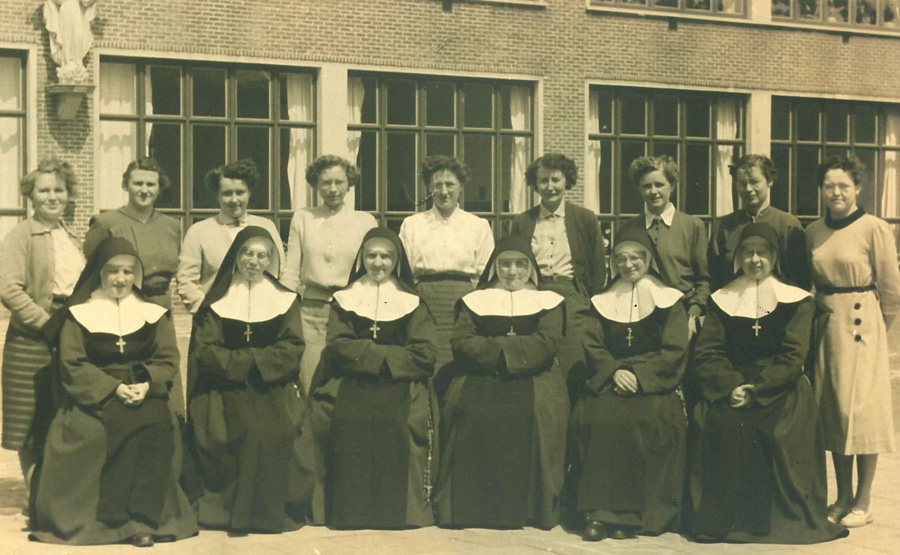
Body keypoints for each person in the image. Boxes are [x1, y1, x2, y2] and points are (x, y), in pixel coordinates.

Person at [30, 237, 196, 546]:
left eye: (128, 271)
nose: (120, 279)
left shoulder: (152, 312)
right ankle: (112, 525)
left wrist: (147, 385)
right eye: (112, 271)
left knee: (157, 426)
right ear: (99, 273)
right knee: (93, 432)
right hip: (96, 393)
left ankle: (144, 522)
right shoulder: (80, 313)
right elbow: (73, 363)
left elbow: (166, 358)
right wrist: (113, 388)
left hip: (141, 389)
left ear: (137, 275)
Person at [690, 223, 847, 543]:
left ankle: (761, 522)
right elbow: (708, 351)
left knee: (772, 427)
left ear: (775, 257)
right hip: (732, 383)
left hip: (779, 387)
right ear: (738, 258)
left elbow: (793, 356)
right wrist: (732, 385)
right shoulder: (723, 299)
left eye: (763, 252)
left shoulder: (796, 300)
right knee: (717, 422)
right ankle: (727, 522)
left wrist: (758, 389)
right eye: (747, 252)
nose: (755, 259)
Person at [435, 236, 568, 529]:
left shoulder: (548, 302)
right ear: (495, 268)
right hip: (482, 372)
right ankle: (470, 507)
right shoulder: (475, 301)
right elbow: (461, 340)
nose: (513, 271)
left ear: (531, 269)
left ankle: (531, 509)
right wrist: (502, 355)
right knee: (466, 408)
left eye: (520, 265)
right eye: (505, 264)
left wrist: (500, 352)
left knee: (539, 413)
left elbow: (547, 342)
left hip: (533, 374)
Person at [309, 227, 437, 529]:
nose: (378, 262)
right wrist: (387, 355)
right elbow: (337, 346)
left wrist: (371, 355)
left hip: (398, 383)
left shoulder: (413, 302)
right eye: (372, 255)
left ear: (397, 261)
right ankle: (347, 509)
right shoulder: (344, 299)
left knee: (397, 420)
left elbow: (425, 353)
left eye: (386, 256)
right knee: (336, 416)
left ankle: (396, 512)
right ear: (361, 259)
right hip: (352, 381)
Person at [185, 226, 310, 533]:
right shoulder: (215, 301)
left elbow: (292, 347)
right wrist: (249, 363)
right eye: (247, 253)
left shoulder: (285, 299)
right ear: (236, 257)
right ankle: (229, 513)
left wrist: (251, 363)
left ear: (271, 261)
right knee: (240, 431)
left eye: (262, 255)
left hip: (271, 387)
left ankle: (265, 514)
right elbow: (206, 351)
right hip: (225, 387)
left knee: (276, 432)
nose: (254, 261)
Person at [567, 226, 688, 541]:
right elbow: (592, 345)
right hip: (613, 377)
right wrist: (613, 371)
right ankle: (598, 514)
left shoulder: (668, 299)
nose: (629, 264)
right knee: (598, 417)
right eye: (621, 258)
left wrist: (640, 376)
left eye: (636, 257)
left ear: (649, 258)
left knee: (645, 419)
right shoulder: (603, 300)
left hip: (651, 383)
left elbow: (674, 350)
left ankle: (636, 516)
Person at [807, 155, 900, 528]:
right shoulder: (813, 231)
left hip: (864, 325)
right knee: (832, 410)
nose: (836, 192)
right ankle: (842, 495)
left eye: (844, 185)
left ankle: (864, 500)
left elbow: (892, 290)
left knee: (861, 413)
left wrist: (881, 333)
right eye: (830, 186)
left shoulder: (874, 228)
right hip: (827, 325)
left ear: (858, 188)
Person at [0, 157, 85, 512]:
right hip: (31, 338)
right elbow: (9, 288)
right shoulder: (21, 234)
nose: (52, 196)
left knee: (61, 413)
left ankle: (55, 496)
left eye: (59, 190)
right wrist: (44, 322)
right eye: (44, 190)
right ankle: (36, 499)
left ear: (67, 195)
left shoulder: (71, 235)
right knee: (29, 419)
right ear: (31, 196)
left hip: (70, 332)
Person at [83, 158, 185, 417]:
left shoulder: (172, 226)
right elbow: (92, 270)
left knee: (164, 368)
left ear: (159, 188)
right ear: (126, 185)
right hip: (123, 306)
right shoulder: (106, 222)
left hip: (162, 306)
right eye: (137, 183)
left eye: (151, 184)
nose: (144, 189)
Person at [281, 155, 377, 395]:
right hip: (311, 313)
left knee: (349, 382)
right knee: (311, 380)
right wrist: (283, 310)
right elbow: (291, 269)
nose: (332, 189)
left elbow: (372, 271)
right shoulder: (303, 218)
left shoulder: (365, 221)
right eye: (325, 183)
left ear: (349, 184)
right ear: (316, 184)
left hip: (352, 313)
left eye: (339, 182)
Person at [510, 153, 605, 380]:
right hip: (535, 296)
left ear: (566, 182)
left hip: (572, 299)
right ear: (535, 184)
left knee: (573, 361)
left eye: (556, 180)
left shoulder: (585, 218)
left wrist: (588, 301)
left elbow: (597, 266)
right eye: (543, 181)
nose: (550, 187)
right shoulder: (523, 221)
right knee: (538, 362)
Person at [399, 155, 494, 369]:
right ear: (429, 187)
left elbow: (484, 274)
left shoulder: (477, 225)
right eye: (437, 185)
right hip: (424, 301)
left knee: (460, 358)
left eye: (450, 184)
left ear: (460, 186)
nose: (444, 191)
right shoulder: (412, 224)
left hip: (463, 303)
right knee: (427, 356)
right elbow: (404, 272)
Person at [176, 158, 284, 314]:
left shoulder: (266, 227)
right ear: (217, 196)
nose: (234, 200)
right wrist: (205, 313)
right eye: (227, 194)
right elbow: (186, 279)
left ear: (250, 193)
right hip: (214, 320)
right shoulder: (199, 231)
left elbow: (280, 273)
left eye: (240, 192)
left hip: (261, 317)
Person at [619, 156, 709, 338]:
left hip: (683, 316)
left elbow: (704, 279)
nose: (653, 191)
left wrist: (694, 312)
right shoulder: (629, 229)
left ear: (672, 186)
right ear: (639, 189)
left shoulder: (692, 226)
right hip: (642, 317)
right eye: (646, 186)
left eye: (659, 184)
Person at [708, 154, 810, 290]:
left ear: (769, 181)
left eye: (754, 182)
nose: (748, 189)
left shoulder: (787, 224)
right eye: (742, 183)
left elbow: (801, 279)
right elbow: (713, 276)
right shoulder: (724, 226)